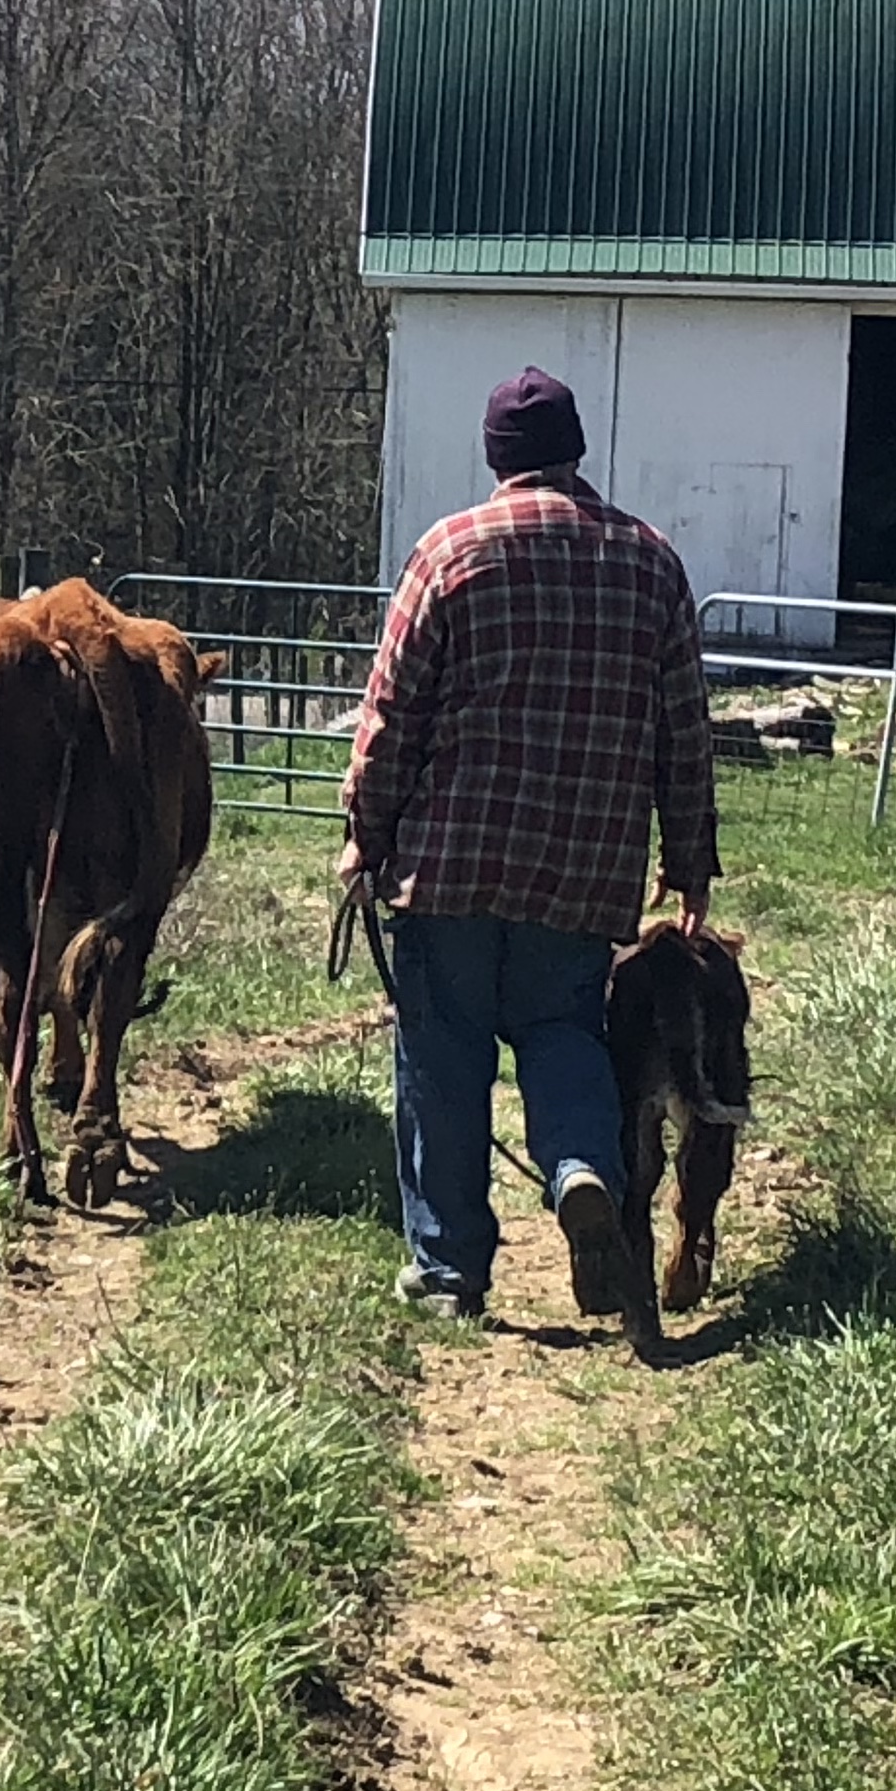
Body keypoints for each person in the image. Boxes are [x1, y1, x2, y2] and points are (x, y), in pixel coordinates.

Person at [339, 367, 719, 1323]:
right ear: (576, 450)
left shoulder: (448, 553)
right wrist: (688, 861)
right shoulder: (651, 563)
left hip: (451, 865)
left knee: (443, 1058)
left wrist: (365, 833)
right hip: (583, 874)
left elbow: (391, 716)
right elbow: (685, 730)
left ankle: (449, 1272)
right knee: (563, 1037)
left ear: (495, 455)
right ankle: (582, 1169)